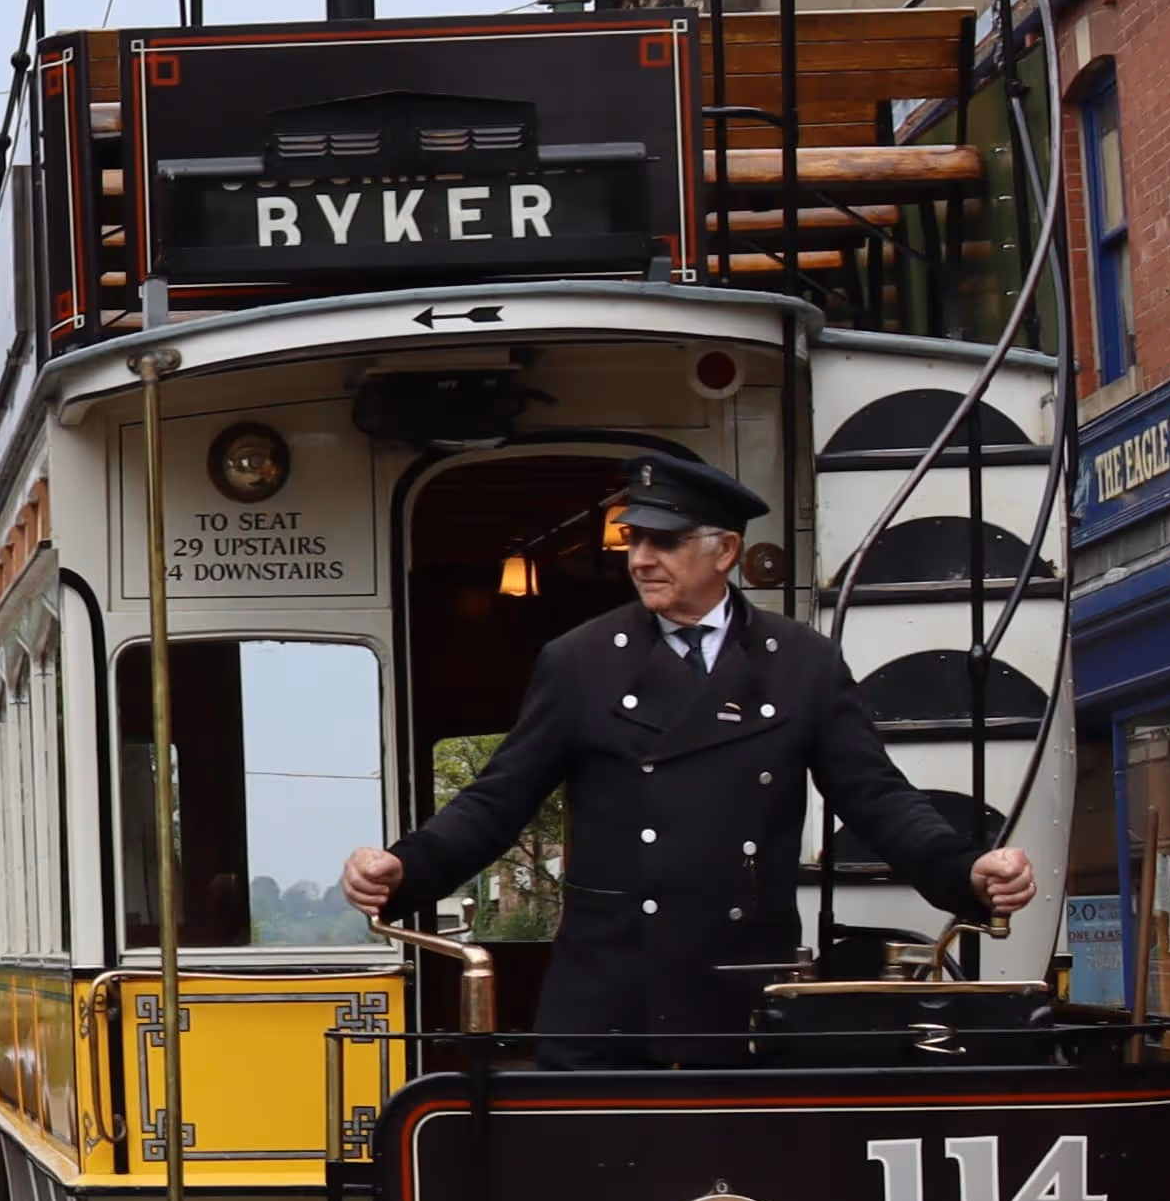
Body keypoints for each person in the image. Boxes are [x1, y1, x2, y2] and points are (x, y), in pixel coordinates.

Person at [336, 447, 1043, 1064]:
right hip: (607, 1000)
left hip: (740, 997)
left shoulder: (802, 663)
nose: (642, 559)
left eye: (666, 541)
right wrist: (407, 867)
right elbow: (498, 801)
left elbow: (878, 800)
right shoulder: (580, 661)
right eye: (635, 539)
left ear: (725, 551)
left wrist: (966, 872)